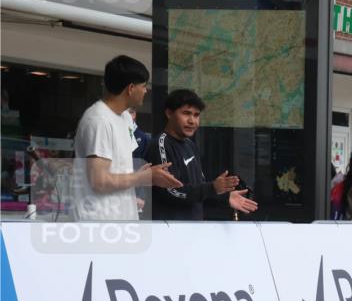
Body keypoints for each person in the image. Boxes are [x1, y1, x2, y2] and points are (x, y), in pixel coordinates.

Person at [73, 55, 181, 220]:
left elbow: (118, 170)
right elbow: (98, 181)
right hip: (99, 223)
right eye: (144, 86)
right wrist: (141, 177)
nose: (146, 91)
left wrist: (144, 176)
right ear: (131, 88)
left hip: (122, 220)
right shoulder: (99, 120)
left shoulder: (125, 117)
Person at [146, 89, 256, 220]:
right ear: (169, 113)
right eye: (186, 113)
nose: (192, 121)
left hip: (195, 227)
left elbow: (198, 189)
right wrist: (212, 188)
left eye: (196, 115)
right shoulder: (160, 145)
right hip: (169, 229)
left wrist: (225, 196)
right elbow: (171, 191)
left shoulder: (190, 145)